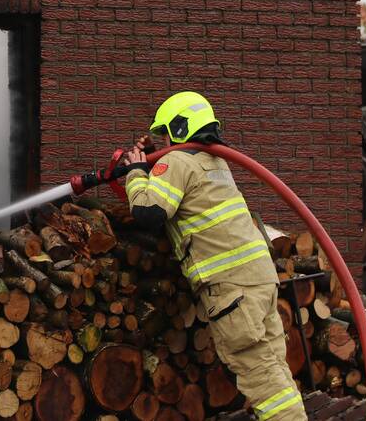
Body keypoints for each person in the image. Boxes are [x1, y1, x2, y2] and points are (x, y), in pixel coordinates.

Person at [121, 91, 306, 421]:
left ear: (179, 129)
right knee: (274, 370)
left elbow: (149, 212)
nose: (164, 143)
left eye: (166, 135)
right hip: (261, 281)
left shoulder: (177, 162)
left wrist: (136, 171)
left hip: (233, 290)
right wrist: (154, 162)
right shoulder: (215, 164)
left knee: (261, 379)